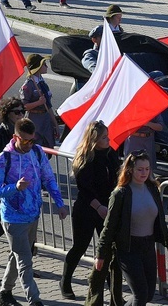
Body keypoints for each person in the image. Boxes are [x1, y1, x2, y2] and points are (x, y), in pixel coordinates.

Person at [0, 118, 68, 306]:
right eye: (25, 141)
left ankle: (4, 293)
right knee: (25, 260)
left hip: (33, 215)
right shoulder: (4, 159)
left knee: (17, 254)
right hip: (13, 218)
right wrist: (15, 188)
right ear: (15, 137)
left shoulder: (36, 152)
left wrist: (59, 203)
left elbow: (49, 178)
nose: (29, 144)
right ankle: (34, 300)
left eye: (32, 140)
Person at [94, 151, 168, 306]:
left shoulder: (153, 189)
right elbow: (109, 227)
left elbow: (161, 222)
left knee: (148, 294)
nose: (144, 173)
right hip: (128, 249)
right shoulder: (120, 193)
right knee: (140, 294)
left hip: (148, 247)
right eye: (140, 169)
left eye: (147, 169)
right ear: (130, 170)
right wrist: (100, 255)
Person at [60, 121, 123, 304]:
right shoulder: (85, 157)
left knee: (109, 250)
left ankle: (114, 292)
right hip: (87, 209)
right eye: (104, 137)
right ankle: (65, 281)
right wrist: (99, 207)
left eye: (108, 136)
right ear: (94, 139)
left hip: (107, 208)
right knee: (80, 246)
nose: (108, 139)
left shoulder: (111, 153)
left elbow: (117, 178)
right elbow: (85, 189)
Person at [0, 98, 26, 241]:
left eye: (23, 111)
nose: (21, 115)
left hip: (14, 186)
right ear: (7, 114)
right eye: (17, 112)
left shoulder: (21, 134)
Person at [20, 53, 58, 148]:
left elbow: (48, 105)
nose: (46, 67)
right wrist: (38, 103)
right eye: (44, 64)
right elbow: (24, 106)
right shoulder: (29, 85)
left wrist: (55, 124)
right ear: (38, 66)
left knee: (48, 146)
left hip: (45, 119)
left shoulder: (42, 83)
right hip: (34, 119)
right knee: (34, 146)